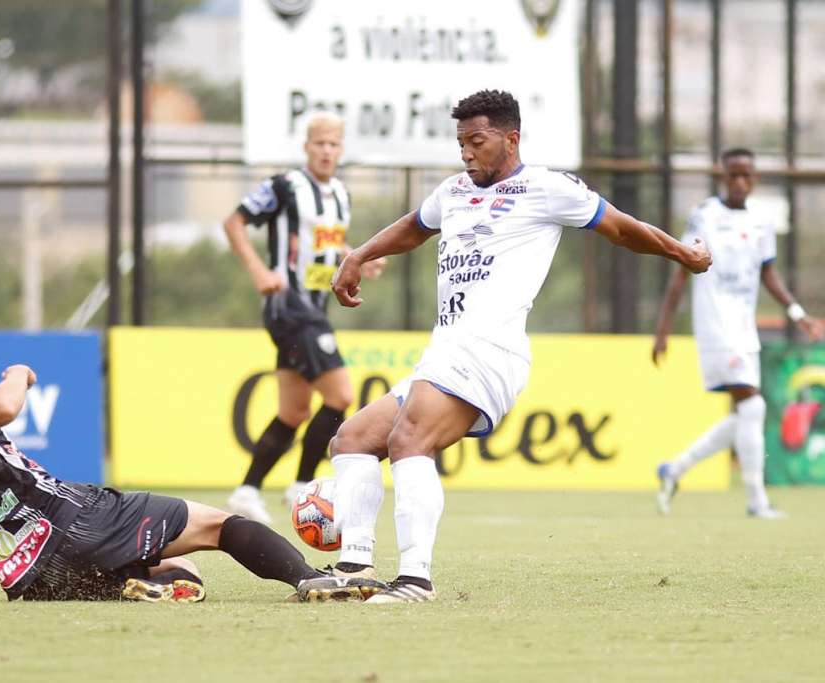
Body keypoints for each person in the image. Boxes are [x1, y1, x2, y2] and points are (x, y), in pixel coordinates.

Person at [326, 89, 712, 603]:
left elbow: (622, 230)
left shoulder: (548, 188)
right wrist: (359, 254)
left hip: (490, 349)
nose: (466, 153)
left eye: (476, 141)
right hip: (446, 346)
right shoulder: (454, 191)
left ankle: (415, 579)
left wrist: (683, 253)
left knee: (409, 440)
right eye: (461, 142)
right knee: (351, 440)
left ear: (511, 138)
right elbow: (415, 227)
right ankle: (353, 571)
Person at [0, 318, 384, 603]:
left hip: (32, 577)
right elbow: (3, 407)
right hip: (75, 518)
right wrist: (19, 373)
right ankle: (313, 579)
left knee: (183, 572)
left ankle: (135, 583)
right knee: (220, 526)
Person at [224, 111, 384, 522]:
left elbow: (326, 242)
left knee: (294, 411)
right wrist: (260, 272)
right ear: (307, 147)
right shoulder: (286, 186)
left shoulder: (340, 195)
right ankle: (302, 488)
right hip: (289, 308)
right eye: (320, 144)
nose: (327, 151)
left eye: (334, 144)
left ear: (341, 149)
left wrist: (356, 259)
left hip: (314, 306)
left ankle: (246, 491)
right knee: (341, 396)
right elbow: (234, 222)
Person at [652, 148, 824, 518]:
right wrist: (664, 326)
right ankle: (756, 501)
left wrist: (798, 314)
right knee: (754, 405)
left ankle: (675, 469)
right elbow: (681, 269)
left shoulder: (762, 222)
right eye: (734, 175)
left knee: (748, 414)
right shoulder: (705, 216)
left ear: (755, 179)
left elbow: (769, 275)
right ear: (723, 177)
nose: (740, 182)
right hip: (716, 325)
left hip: (744, 328)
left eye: (747, 175)